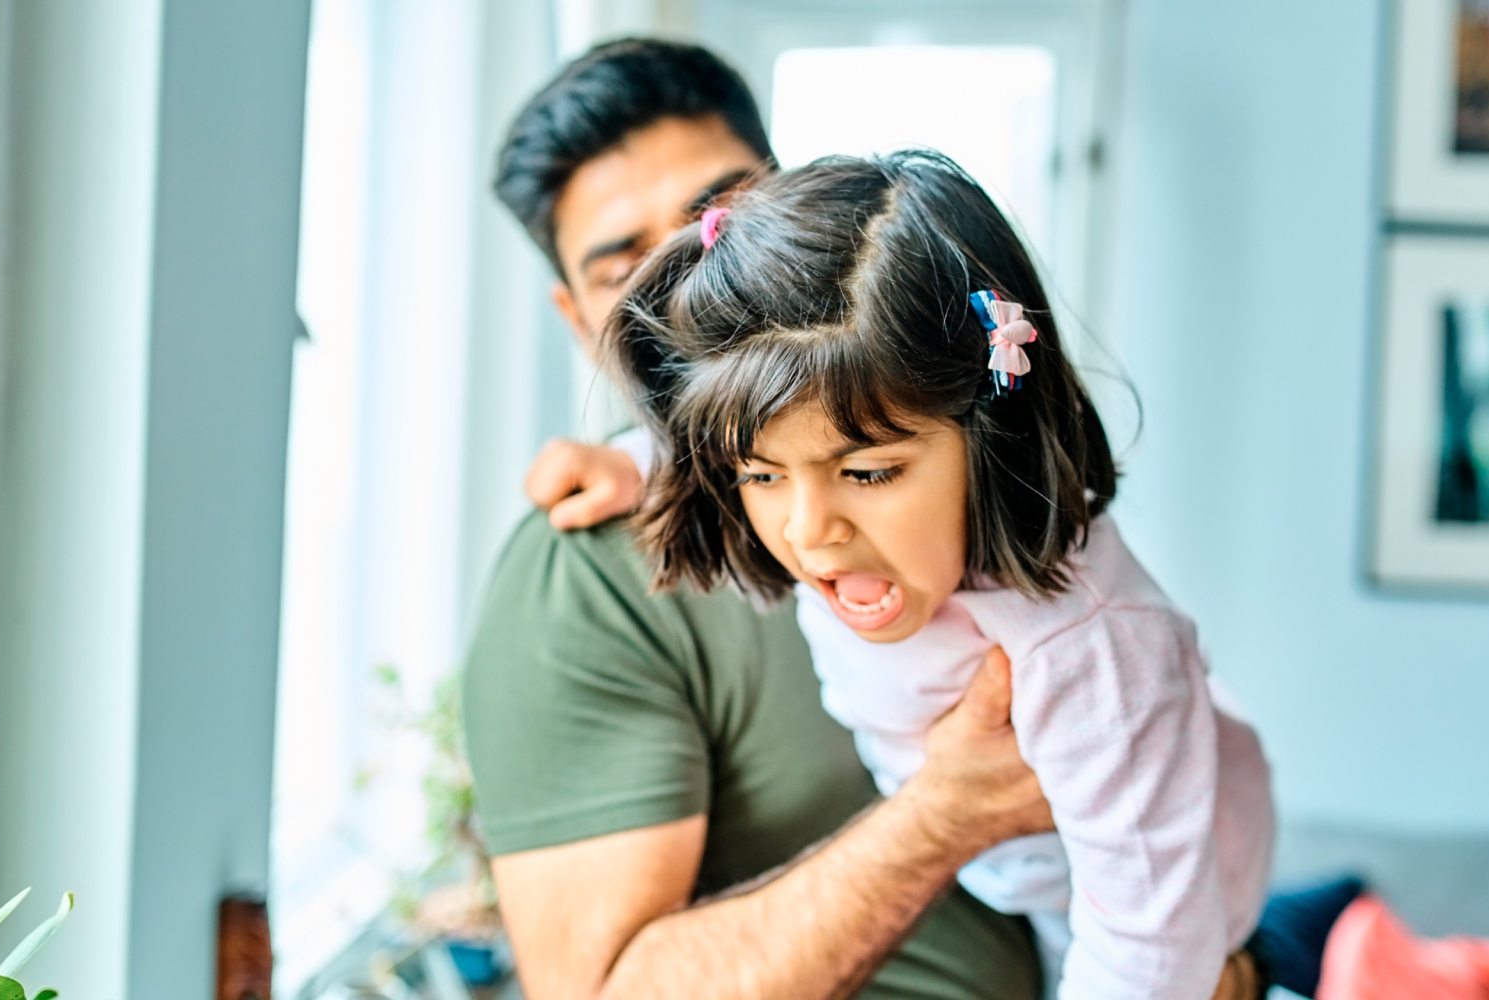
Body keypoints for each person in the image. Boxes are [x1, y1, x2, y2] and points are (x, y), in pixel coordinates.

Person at [605, 152, 1277, 999]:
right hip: (1018, 874)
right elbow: (749, 431)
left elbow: (1150, 947)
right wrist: (628, 465)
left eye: (870, 473)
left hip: (1170, 877)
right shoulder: (809, 482)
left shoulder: (1090, 649)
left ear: (989, 435)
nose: (812, 532)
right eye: (763, 476)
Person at [466, 39, 1053, 1000]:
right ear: (579, 321)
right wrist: (948, 815)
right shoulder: (584, 578)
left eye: (715, 223)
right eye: (625, 268)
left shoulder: (937, 443)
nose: (688, 290)